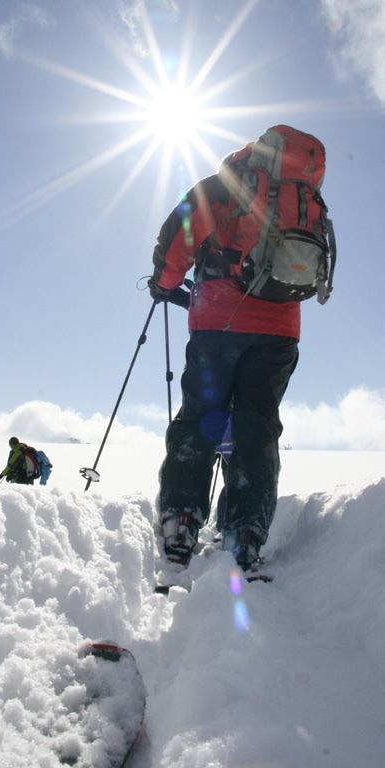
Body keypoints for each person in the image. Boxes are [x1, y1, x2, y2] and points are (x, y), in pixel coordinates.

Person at [149, 126, 307, 571]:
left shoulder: (222, 185)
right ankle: (244, 532)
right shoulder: (301, 196)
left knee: (201, 416)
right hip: (280, 330)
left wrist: (163, 286)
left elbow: (177, 240)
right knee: (257, 426)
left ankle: (181, 520)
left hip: (218, 324)